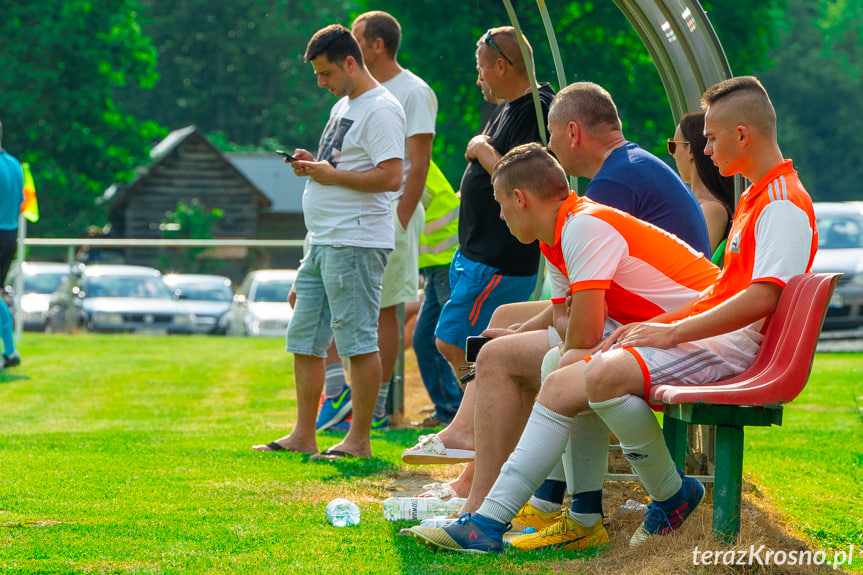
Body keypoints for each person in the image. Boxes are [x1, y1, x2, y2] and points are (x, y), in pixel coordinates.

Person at [411, 76, 817, 553]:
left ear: (742, 135)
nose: (704, 148)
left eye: (710, 136)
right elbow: (723, 292)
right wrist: (659, 328)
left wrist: (671, 332)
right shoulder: (757, 198)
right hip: (714, 338)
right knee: (569, 371)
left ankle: (497, 519)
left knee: (580, 373)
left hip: (731, 350)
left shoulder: (782, 202)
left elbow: (762, 300)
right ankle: (601, 506)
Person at [403, 82, 710, 511]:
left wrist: (546, 334)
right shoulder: (588, 199)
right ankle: (554, 504)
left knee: (524, 359)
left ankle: (482, 498)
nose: (549, 145)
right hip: (645, 319)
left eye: (549, 133)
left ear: (572, 132)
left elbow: (580, 328)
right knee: (525, 340)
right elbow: (568, 313)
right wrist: (532, 330)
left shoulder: (600, 197)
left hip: (681, 329)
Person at [252, 24, 405, 459]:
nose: (321, 83)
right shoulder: (345, 106)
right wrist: (313, 164)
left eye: (325, 73)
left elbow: (391, 176)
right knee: (304, 337)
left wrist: (328, 173)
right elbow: (340, 165)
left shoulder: (382, 109)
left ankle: (359, 440)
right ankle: (304, 434)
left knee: (357, 341)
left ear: (350, 62)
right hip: (323, 240)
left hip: (355, 241)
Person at [434, 26, 555, 375]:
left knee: (456, 343)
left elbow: (525, 182)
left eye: (480, 69)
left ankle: (479, 426)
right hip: (476, 257)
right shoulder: (508, 108)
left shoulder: (537, 109)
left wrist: (482, 149)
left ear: (501, 66)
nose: (478, 80)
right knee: (469, 346)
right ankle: (478, 424)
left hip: (498, 261)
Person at [669, 112, 735, 259]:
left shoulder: (711, 209)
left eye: (673, 145)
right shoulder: (699, 205)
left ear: (690, 150)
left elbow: (689, 263)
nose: (673, 154)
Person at [0, 119, 23, 369]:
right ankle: (10, 351)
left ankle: (9, 350)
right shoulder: (14, 164)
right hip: (9, 235)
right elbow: (20, 202)